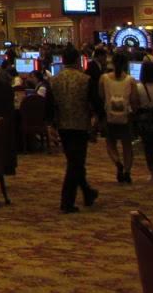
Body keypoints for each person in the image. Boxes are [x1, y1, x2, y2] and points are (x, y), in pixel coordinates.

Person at [49, 46, 99, 214]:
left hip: (63, 126)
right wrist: (97, 120)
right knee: (76, 162)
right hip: (80, 125)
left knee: (75, 161)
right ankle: (66, 201)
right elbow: (95, 103)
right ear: (77, 60)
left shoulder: (54, 80)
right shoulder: (85, 79)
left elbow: (49, 106)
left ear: (62, 61)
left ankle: (87, 192)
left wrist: (50, 125)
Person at [100, 52, 138, 183]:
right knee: (127, 146)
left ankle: (117, 162)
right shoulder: (131, 80)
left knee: (110, 143)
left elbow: (101, 96)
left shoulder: (104, 78)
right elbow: (134, 100)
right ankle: (127, 172)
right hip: (126, 117)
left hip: (109, 115)